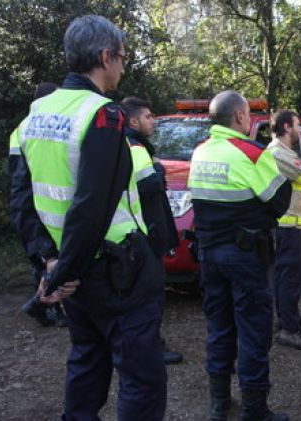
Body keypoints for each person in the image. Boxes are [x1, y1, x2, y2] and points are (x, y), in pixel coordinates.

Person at [10, 15, 167, 420]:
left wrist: (48, 261)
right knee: (142, 378)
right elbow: (93, 206)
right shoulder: (103, 114)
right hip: (113, 272)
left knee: (87, 361)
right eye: (122, 57)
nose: (123, 65)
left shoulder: (36, 114)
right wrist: (65, 272)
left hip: (69, 270)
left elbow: (23, 198)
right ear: (104, 56)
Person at [188, 90, 291, 421]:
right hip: (244, 256)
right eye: (247, 114)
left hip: (208, 254)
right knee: (253, 329)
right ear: (240, 118)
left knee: (218, 327)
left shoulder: (200, 152)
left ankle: (219, 404)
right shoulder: (251, 154)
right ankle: (254, 409)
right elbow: (279, 201)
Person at [120, 96, 183, 365]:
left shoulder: (131, 144)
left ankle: (143, 343)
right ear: (133, 121)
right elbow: (148, 187)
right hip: (146, 233)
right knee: (151, 295)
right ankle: (151, 347)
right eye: (147, 116)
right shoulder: (135, 147)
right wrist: (157, 169)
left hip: (140, 233)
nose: (152, 121)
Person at [10, 81, 68, 328]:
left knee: (43, 261)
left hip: (32, 204)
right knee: (45, 262)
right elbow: (21, 180)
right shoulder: (33, 127)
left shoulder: (24, 127)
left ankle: (45, 306)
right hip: (36, 204)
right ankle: (45, 308)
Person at [267, 110, 301, 351]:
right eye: (298, 126)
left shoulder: (286, 153)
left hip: (293, 224)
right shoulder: (278, 153)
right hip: (287, 225)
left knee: (286, 276)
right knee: (290, 278)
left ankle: (286, 320)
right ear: (287, 127)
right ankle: (288, 329)